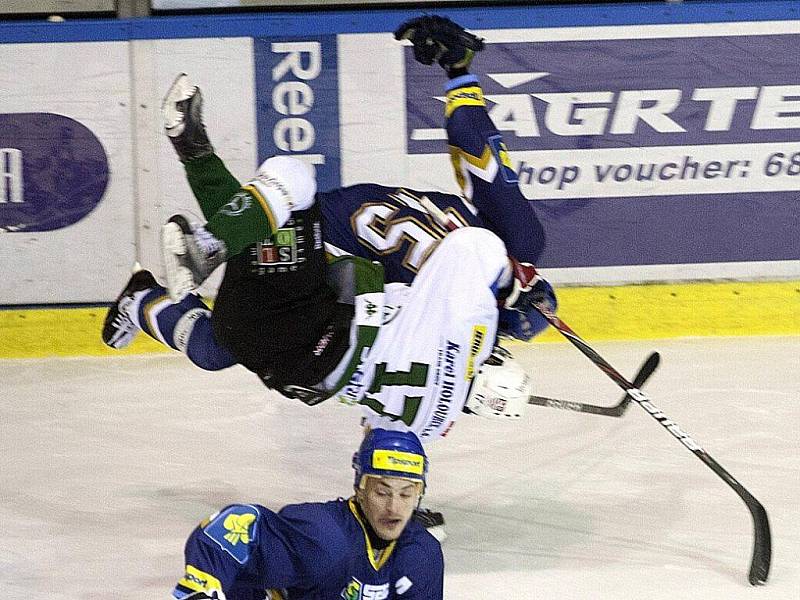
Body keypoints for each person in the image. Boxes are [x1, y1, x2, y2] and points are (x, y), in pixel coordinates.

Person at [102, 16, 557, 441]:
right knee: (223, 340)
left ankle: (152, 278)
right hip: (327, 258)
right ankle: (190, 200)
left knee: (234, 320)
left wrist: (458, 72)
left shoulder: (515, 249)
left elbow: (481, 156)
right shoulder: (447, 312)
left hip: (333, 220)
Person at [172, 428, 443, 600]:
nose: (394, 508)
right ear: (360, 489)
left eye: (406, 494)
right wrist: (200, 586)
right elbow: (239, 524)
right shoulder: (325, 539)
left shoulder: (422, 556)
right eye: (382, 493)